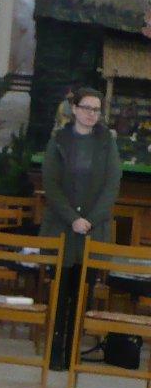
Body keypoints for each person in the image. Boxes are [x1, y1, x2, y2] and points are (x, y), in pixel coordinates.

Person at [41, 83, 122, 370]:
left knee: (82, 294)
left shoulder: (107, 142)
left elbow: (112, 185)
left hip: (92, 230)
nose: (91, 114)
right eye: (86, 108)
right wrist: (72, 218)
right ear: (74, 109)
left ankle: (72, 353)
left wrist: (90, 220)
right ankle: (55, 352)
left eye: (96, 110)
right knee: (59, 292)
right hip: (62, 228)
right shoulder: (59, 140)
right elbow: (51, 184)